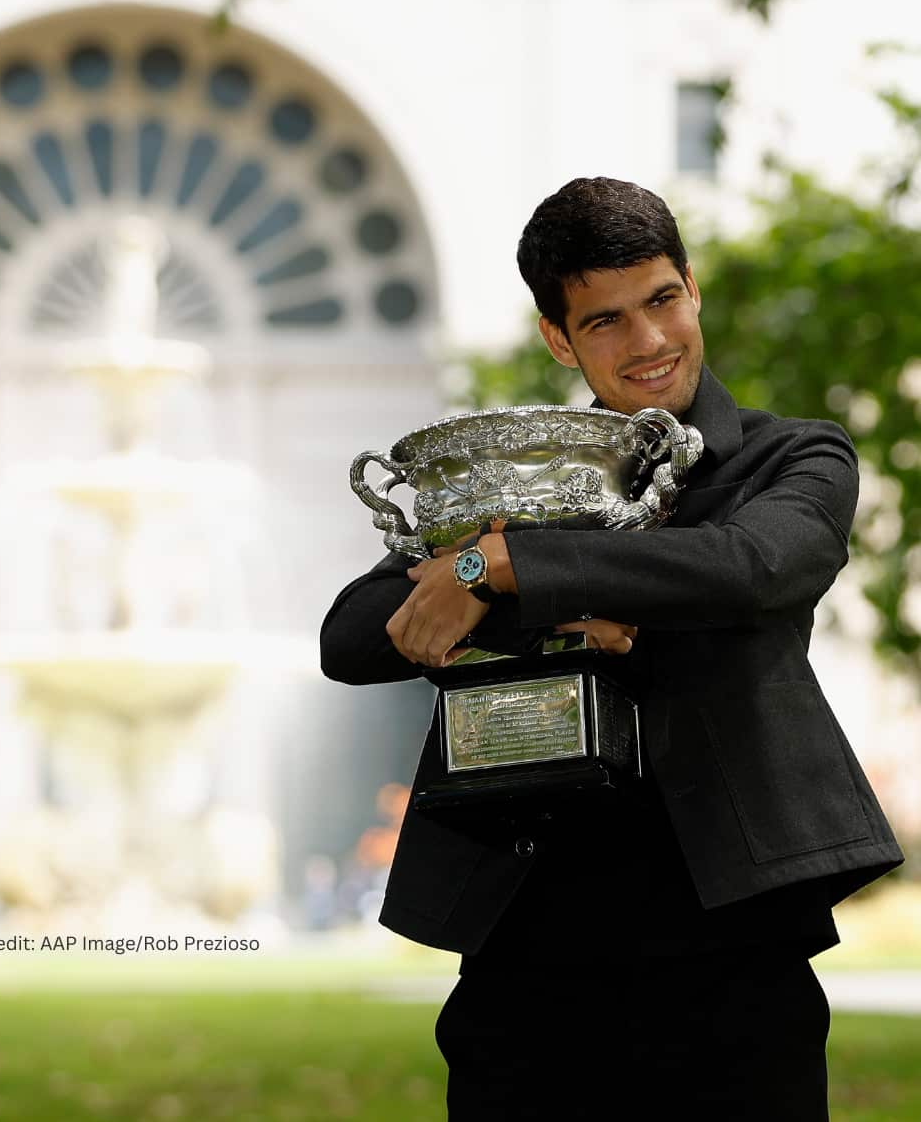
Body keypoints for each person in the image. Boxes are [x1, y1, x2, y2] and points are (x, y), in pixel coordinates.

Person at [319, 176, 903, 1121]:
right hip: (525, 965)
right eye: (606, 321)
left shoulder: (792, 458)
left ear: (692, 288)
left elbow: (753, 567)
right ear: (560, 337)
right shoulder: (502, 487)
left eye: (663, 300)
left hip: (734, 959)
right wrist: (496, 573)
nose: (648, 342)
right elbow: (352, 635)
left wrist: (511, 573)